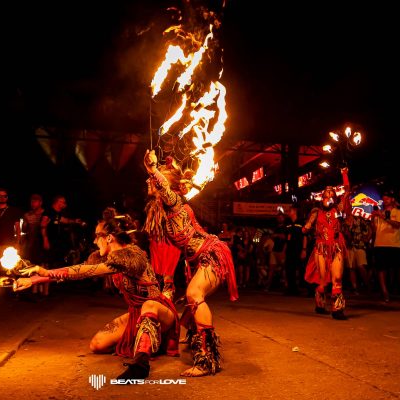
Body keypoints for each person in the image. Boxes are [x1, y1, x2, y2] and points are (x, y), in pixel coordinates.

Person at [14, 215, 180, 380]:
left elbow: (87, 271)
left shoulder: (133, 255)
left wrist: (46, 271)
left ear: (108, 237)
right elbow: (77, 271)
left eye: (97, 236)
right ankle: (146, 341)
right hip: (136, 313)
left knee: (148, 305)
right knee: (97, 345)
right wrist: (33, 279)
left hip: (159, 310)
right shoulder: (107, 257)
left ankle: (141, 365)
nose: (94, 241)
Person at [143, 149, 238, 377]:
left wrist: (153, 169)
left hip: (211, 254)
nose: (148, 181)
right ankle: (198, 342)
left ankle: (206, 360)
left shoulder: (174, 201)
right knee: (188, 306)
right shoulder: (164, 211)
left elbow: (165, 188)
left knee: (195, 295)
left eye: (153, 179)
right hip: (197, 260)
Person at [302, 167, 351, 320]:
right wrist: (307, 227)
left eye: (331, 195)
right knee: (323, 281)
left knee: (337, 278)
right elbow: (306, 228)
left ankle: (337, 310)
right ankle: (320, 302)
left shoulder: (339, 208)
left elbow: (347, 191)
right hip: (321, 247)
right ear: (322, 197)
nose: (329, 197)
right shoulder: (316, 212)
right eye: (326, 195)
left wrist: (344, 174)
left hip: (336, 246)